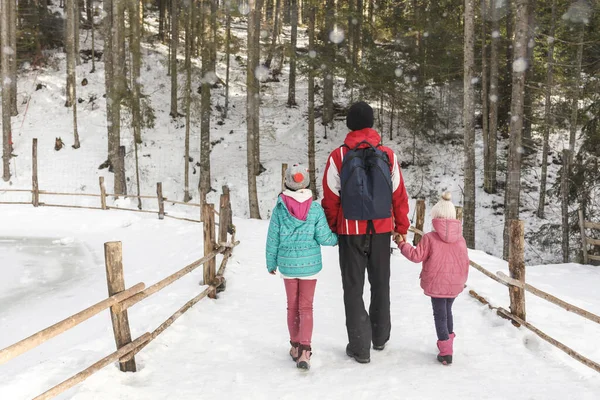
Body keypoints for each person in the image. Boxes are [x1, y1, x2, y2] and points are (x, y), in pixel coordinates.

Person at [321, 101, 410, 364]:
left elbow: (330, 198)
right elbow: (399, 196)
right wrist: (401, 228)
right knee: (381, 283)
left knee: (353, 287)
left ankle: (360, 347)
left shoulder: (338, 156)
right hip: (382, 230)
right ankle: (380, 337)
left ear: (349, 124)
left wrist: (336, 227)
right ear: (371, 123)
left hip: (350, 231)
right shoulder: (388, 155)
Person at [266, 164, 338, 370]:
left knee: (292, 306)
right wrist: (336, 239)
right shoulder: (315, 208)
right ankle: (305, 350)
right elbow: (324, 237)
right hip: (310, 265)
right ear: (306, 182)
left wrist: (271, 262)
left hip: (288, 265)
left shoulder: (280, 208)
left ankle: (295, 346)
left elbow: (273, 238)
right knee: (306, 307)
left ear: (287, 182)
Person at [396, 192, 469, 365]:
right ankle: (448, 343)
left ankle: (445, 352)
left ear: (436, 217)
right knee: (447, 311)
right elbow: (465, 263)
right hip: (455, 284)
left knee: (440, 315)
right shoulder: (461, 240)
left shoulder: (430, 238)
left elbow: (416, 256)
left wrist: (401, 243)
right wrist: (461, 280)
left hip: (437, 283)